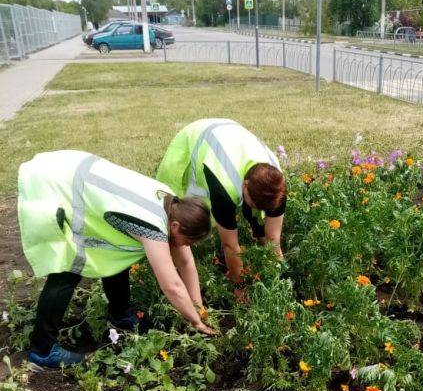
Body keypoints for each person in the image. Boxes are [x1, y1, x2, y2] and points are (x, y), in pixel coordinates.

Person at [18, 150, 214, 371]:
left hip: (76, 171)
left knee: (116, 253)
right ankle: (42, 351)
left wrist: (198, 307)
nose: (183, 246)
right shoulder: (152, 226)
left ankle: (119, 315)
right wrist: (195, 321)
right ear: (175, 227)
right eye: (185, 241)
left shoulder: (172, 203)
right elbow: (172, 285)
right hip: (56, 184)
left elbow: (186, 264)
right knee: (69, 268)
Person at [157, 119, 286, 284]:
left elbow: (273, 239)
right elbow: (230, 245)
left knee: (255, 225)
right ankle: (167, 257)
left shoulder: (276, 186)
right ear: (245, 185)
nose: (257, 209)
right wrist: (239, 283)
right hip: (196, 139)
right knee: (176, 210)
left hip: (231, 134)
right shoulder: (223, 187)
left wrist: (280, 279)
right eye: (254, 204)